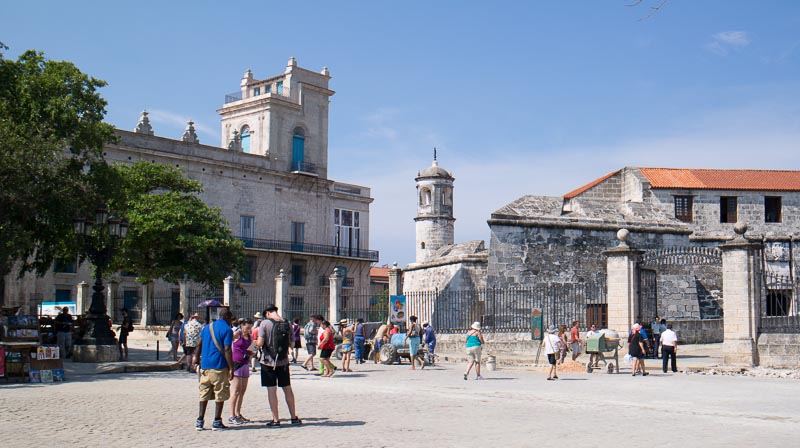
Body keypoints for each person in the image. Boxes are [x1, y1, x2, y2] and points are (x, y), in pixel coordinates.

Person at [257, 304, 302, 427]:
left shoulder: (265, 323)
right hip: (283, 361)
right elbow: (292, 344)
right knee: (287, 388)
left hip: (268, 361)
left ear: (267, 313)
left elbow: (260, 343)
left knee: (272, 390)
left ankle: (276, 419)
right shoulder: (287, 323)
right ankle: (293, 417)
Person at [193, 308, 235, 431]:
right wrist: (231, 367)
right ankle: (217, 421)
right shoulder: (227, 329)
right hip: (219, 365)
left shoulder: (207, 327)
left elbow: (199, 343)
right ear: (227, 317)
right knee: (220, 393)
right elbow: (227, 349)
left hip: (205, 365)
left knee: (204, 393)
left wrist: (196, 359)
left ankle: (200, 421)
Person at [228, 319, 256, 426]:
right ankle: (231, 415)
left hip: (245, 364)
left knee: (242, 391)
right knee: (235, 391)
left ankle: (238, 413)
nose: (248, 330)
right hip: (236, 363)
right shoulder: (237, 334)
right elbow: (227, 344)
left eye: (250, 328)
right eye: (247, 327)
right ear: (241, 326)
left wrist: (252, 352)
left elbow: (253, 348)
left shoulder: (250, 336)